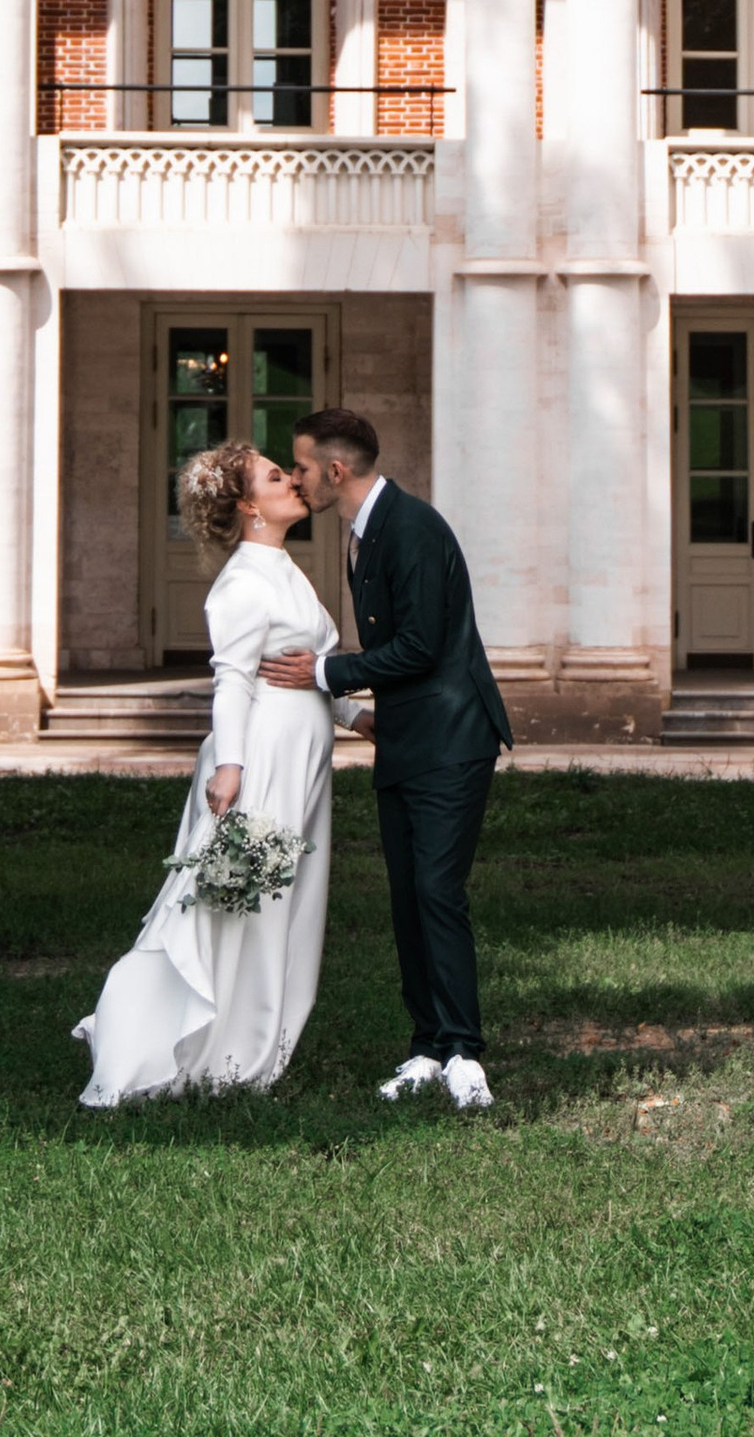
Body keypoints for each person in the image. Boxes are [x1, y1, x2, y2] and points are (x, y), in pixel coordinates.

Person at [73, 442, 346, 1104]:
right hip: (260, 760)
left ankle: (254, 1043)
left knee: (285, 900)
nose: (293, 483)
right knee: (233, 901)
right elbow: (231, 679)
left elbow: (310, 670)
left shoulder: (285, 570)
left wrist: (363, 722)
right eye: (276, 477)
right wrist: (230, 767)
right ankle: (196, 1048)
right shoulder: (243, 583)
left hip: (301, 757)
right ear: (249, 506)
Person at [263, 407, 512, 1112]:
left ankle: (465, 1051)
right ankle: (428, 1047)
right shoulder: (366, 531)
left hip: (453, 740)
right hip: (407, 740)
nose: (298, 478)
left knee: (437, 891)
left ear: (335, 470)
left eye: (303, 467)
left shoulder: (411, 527)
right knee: (407, 898)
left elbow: (421, 647)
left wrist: (323, 675)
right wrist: (367, 715)